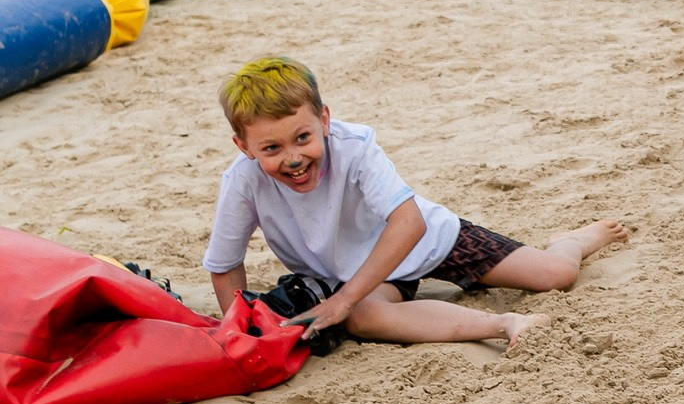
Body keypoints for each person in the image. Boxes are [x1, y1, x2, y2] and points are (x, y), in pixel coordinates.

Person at [204, 57, 625, 352]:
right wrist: (240, 329)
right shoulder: (243, 181)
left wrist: (343, 299)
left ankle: (571, 240)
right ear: (243, 147)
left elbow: (408, 224)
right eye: (271, 148)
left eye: (303, 138)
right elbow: (224, 264)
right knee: (364, 318)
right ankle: (503, 324)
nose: (293, 158)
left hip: (427, 241)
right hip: (363, 273)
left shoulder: (355, 147)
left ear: (325, 121)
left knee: (558, 274)